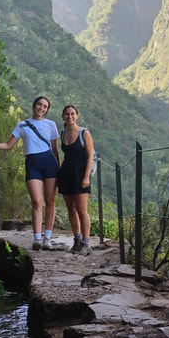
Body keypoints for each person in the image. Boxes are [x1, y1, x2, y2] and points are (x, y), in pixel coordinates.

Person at [0, 96, 60, 250]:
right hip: (32, 165)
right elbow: (7, 145)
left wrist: (59, 169)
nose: (41, 108)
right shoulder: (22, 125)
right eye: (39, 104)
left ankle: (47, 238)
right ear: (34, 105)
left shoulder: (51, 125)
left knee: (50, 201)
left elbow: (55, 149)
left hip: (50, 164)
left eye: (45, 106)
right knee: (37, 201)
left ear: (47, 110)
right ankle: (37, 239)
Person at [58, 105, 94, 256]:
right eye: (67, 114)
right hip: (66, 173)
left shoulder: (84, 133)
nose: (70, 116)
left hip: (80, 174)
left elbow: (90, 155)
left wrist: (86, 176)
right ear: (63, 117)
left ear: (77, 115)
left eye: (72, 114)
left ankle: (86, 243)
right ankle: (77, 240)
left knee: (82, 210)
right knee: (71, 209)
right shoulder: (63, 133)